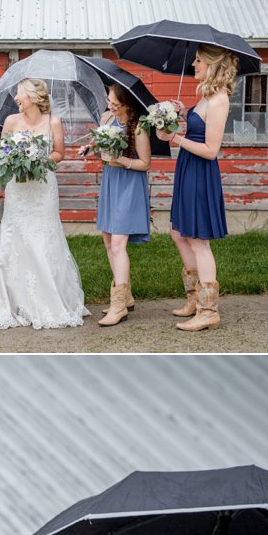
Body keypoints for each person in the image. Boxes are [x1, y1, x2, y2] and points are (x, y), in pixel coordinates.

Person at [0, 79, 89, 330]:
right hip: (19, 190)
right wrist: (15, 160)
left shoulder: (52, 121)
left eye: (19, 94)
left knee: (45, 236)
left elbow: (59, 154)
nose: (16, 98)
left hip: (43, 188)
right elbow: (1, 154)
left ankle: (51, 296)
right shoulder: (11, 121)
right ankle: (15, 301)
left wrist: (40, 160)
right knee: (16, 235)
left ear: (31, 96)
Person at [157, 45, 238, 332]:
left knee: (198, 239)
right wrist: (182, 112)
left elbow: (210, 150)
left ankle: (208, 310)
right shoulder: (206, 96)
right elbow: (197, 129)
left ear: (212, 65)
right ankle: (193, 298)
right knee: (179, 232)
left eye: (199, 60)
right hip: (188, 169)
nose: (193, 64)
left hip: (201, 171)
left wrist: (175, 137)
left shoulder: (219, 100)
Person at [79, 83, 151, 327]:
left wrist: (120, 159)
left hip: (129, 183)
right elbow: (100, 142)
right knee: (108, 239)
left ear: (126, 103)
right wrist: (89, 147)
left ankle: (118, 306)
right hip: (111, 181)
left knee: (119, 243)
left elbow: (145, 163)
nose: (110, 105)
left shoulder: (138, 127)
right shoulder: (107, 118)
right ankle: (126, 295)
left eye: (114, 102)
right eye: (108, 101)